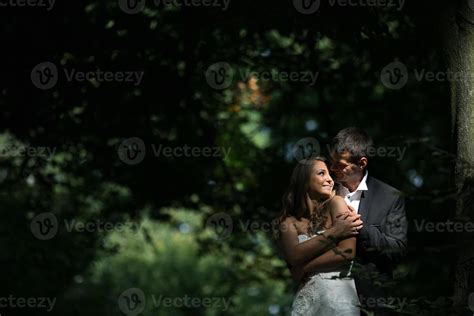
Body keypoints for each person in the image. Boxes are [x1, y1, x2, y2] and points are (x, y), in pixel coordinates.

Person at [328, 127, 408, 315]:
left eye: (340, 165)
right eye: (331, 162)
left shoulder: (390, 197)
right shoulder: (323, 188)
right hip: (325, 295)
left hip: (370, 301)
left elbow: (397, 249)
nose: (332, 169)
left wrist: (359, 228)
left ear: (362, 162)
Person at [276, 156, 364, 315]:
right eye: (321, 173)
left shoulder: (337, 203)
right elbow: (294, 256)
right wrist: (335, 231)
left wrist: (304, 269)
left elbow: (347, 252)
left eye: (329, 174)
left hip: (339, 297)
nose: (330, 179)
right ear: (304, 180)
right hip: (307, 302)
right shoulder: (289, 222)